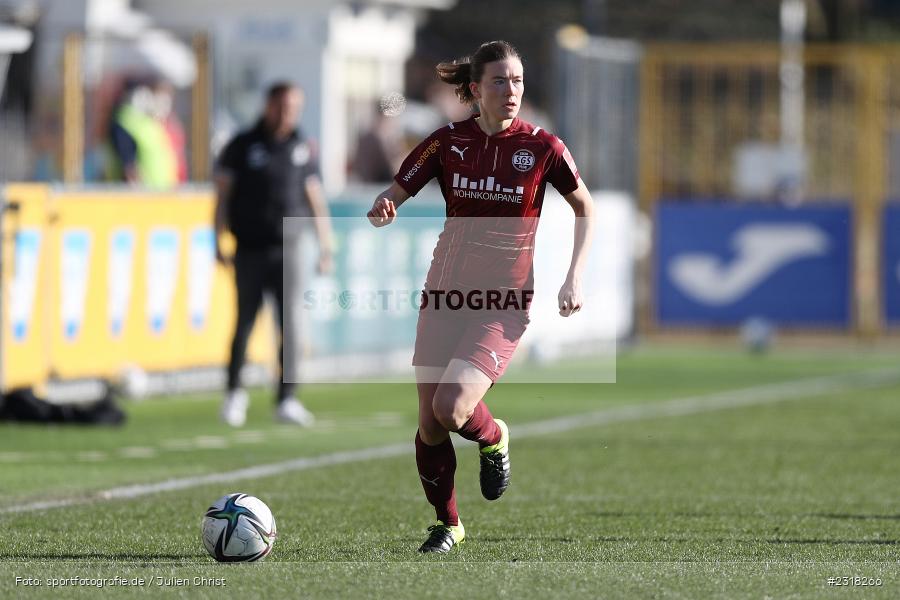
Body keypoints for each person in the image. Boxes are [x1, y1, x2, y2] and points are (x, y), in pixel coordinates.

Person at [367, 41, 594, 552]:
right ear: (474, 90)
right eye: (499, 81)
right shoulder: (447, 142)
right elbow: (396, 190)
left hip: (503, 303)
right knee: (429, 425)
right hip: (446, 295)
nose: (511, 90)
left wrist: (573, 276)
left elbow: (585, 207)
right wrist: (386, 203)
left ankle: (493, 438)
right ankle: (449, 524)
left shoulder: (543, 148)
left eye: (516, 80)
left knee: (452, 408)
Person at [214, 81, 334, 427]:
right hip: (250, 247)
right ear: (268, 106)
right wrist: (217, 240)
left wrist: (325, 246)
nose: (287, 114)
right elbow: (222, 196)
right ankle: (235, 392)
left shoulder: (302, 146)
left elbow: (314, 197)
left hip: (291, 248)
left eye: (293, 108)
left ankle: (287, 398)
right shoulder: (242, 145)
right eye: (282, 106)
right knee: (245, 322)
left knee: (292, 325)